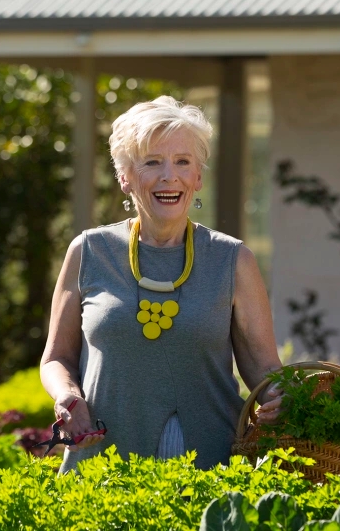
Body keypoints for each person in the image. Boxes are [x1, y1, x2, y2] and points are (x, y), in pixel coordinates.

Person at [40, 95, 282, 473]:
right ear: (125, 177)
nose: (169, 175)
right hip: (102, 463)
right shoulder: (89, 251)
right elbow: (56, 358)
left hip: (210, 467)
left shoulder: (233, 259)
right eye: (152, 162)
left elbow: (264, 369)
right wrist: (67, 396)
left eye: (183, 162)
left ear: (198, 176)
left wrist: (278, 398)